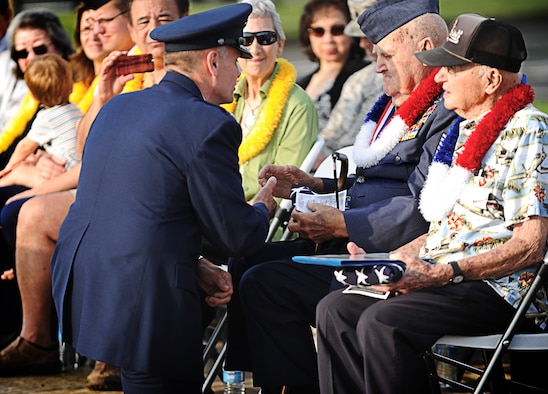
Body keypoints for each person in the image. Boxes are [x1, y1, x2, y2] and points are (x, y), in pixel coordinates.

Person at [223, 0, 454, 393]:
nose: (377, 65)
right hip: (354, 239)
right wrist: (310, 185)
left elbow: (420, 206)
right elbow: (373, 175)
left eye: (386, 55)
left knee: (265, 283)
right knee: (248, 261)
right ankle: (261, 377)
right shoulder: (396, 107)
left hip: (391, 252)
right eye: (376, 55)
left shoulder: (445, 110)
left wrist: (343, 223)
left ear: (426, 47)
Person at [315, 13, 548, 394]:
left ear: (490, 79)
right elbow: (445, 228)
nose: (437, 77)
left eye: (451, 68)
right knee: (335, 309)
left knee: (382, 323)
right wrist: (388, 260)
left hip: (496, 286)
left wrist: (444, 273)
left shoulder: (529, 129)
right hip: (444, 272)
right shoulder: (462, 127)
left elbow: (530, 245)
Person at [51, 3, 278, 393]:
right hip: (144, 296)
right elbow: (236, 235)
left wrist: (194, 264)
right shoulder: (208, 122)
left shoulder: (120, 105)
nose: (240, 71)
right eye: (234, 60)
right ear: (212, 61)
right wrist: (265, 206)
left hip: (88, 279)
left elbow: (145, 210)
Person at [0, 0, 189, 386]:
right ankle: (37, 341)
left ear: (182, 22)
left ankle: (115, 349)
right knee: (31, 214)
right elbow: (85, 151)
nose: (153, 29)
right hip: (112, 190)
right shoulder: (125, 72)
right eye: (144, 21)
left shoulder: (194, 69)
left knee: (106, 222)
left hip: (164, 200)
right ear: (134, 30)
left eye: (164, 19)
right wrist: (103, 96)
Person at [221, 0, 318, 202]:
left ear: (280, 45)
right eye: (245, 40)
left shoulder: (298, 106)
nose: (255, 49)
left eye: (265, 38)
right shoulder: (223, 95)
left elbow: (284, 189)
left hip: (262, 220)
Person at [313, 0, 383, 168]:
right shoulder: (357, 80)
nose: (362, 43)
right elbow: (328, 137)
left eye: (369, 36)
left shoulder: (400, 80)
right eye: (359, 36)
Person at [0, 8, 74, 168]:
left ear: (60, 47)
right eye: (22, 53)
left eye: (40, 49)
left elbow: (25, 147)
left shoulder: (69, 92)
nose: (31, 58)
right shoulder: (29, 96)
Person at [0, 54, 82, 188]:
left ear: (33, 96)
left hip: (62, 171)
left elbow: (25, 147)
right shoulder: (75, 109)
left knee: (19, 170)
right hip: (77, 167)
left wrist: (9, 167)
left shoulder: (47, 118)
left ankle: (4, 180)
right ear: (71, 87)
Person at [297, 0, 368, 130]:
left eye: (337, 30)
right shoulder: (299, 84)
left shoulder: (367, 75)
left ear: (352, 32)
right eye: (318, 31)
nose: (328, 39)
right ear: (308, 35)